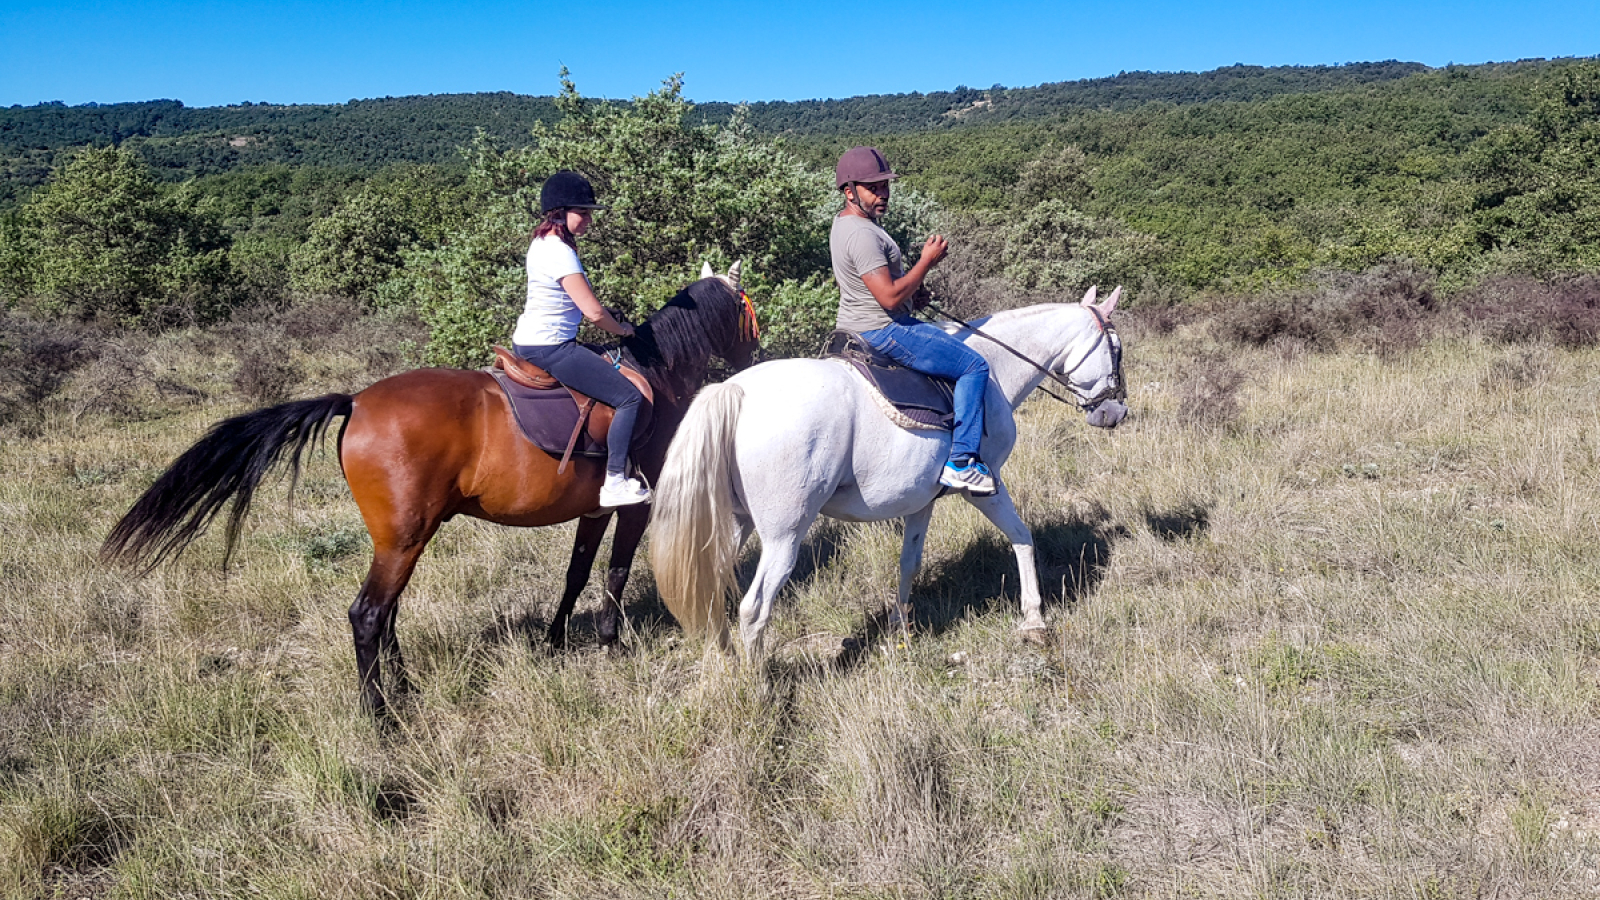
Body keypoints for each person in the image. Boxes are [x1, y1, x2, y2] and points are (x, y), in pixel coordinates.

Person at [831, 146, 996, 496]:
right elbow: (888, 297)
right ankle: (962, 462)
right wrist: (927, 262)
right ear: (849, 191)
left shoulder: (849, 224)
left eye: (885, 186)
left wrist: (914, 293)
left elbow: (880, 287)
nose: (883, 193)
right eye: (872, 188)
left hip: (859, 321)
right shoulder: (863, 234)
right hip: (883, 328)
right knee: (974, 366)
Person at [513, 170, 651, 507]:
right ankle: (615, 482)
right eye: (583, 212)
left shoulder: (542, 243)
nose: (588, 220)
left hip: (528, 340)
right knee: (629, 398)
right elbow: (592, 312)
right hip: (552, 347)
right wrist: (623, 331)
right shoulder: (560, 252)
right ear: (559, 212)